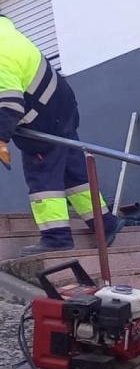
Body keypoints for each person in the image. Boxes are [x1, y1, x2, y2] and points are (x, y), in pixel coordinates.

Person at [0, 14, 123, 256]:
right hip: (62, 111)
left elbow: (9, 104)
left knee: (42, 178)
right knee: (76, 175)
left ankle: (56, 237)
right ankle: (105, 224)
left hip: (42, 123)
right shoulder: (6, 35)